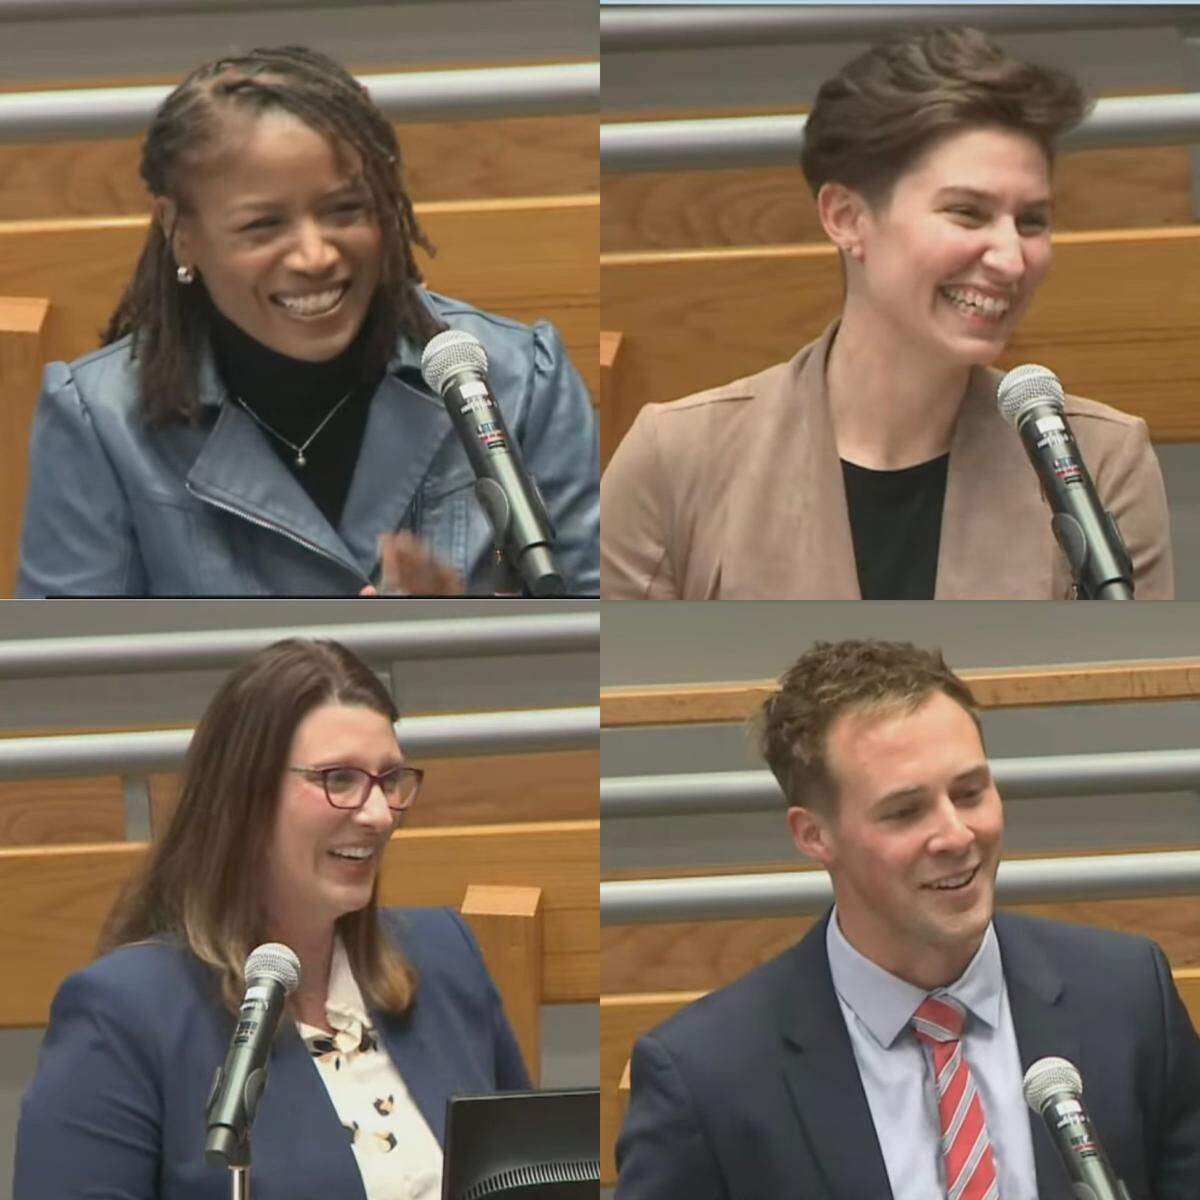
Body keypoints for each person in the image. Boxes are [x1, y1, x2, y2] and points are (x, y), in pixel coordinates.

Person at [615, 639, 1200, 1199]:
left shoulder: (1127, 996)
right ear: (814, 835)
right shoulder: (708, 1074)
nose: (956, 834)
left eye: (970, 792)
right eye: (905, 811)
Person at [601, 27, 1172, 599]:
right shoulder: (675, 458)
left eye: (1032, 222)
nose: (1011, 258)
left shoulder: (1101, 460)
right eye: (968, 214)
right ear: (847, 218)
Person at [16, 45, 599, 597]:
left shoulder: (519, 380)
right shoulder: (99, 423)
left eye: (345, 211)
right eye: (263, 225)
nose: (316, 255)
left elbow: (588, 611)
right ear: (181, 233)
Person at [14, 638, 529, 1199]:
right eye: (339, 780)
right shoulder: (125, 1015)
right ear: (246, 796)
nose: (379, 815)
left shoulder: (445, 957)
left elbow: (534, 1180)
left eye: (389, 779)